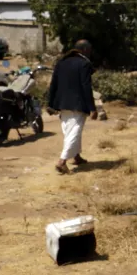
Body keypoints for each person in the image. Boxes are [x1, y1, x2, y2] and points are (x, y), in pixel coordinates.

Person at [47, 39, 97, 174]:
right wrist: (92, 108)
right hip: (77, 104)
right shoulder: (84, 64)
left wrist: (50, 103)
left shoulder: (61, 62)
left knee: (70, 132)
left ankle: (76, 156)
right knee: (74, 131)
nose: (91, 52)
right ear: (85, 50)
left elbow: (53, 84)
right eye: (90, 50)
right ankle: (62, 162)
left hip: (62, 103)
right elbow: (86, 87)